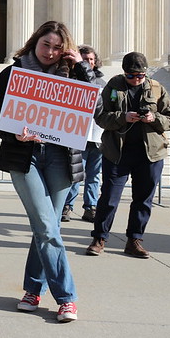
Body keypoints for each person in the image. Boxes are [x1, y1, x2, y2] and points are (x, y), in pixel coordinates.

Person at [0, 20, 85, 323]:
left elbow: (97, 107)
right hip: (24, 157)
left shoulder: (74, 74)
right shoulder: (13, 73)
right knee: (45, 223)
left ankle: (31, 290)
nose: (50, 52)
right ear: (34, 42)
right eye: (46, 45)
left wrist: (82, 67)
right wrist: (12, 133)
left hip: (61, 158)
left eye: (57, 47)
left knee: (47, 228)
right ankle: (67, 298)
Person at [86, 52, 170, 259]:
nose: (136, 79)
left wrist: (153, 118)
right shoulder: (114, 86)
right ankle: (99, 238)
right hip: (117, 152)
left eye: (140, 76)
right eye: (131, 75)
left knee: (143, 199)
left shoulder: (156, 88)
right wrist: (123, 117)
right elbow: (100, 117)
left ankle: (134, 240)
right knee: (109, 197)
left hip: (150, 154)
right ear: (124, 73)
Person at [62, 45, 106, 223]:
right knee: (76, 174)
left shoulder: (103, 84)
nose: (88, 63)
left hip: (97, 136)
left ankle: (91, 207)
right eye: (85, 59)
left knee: (94, 175)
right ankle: (67, 206)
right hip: (78, 135)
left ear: (95, 63)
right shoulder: (71, 79)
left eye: (91, 60)